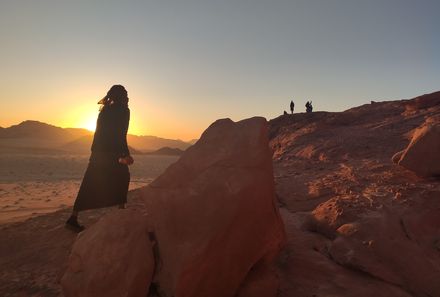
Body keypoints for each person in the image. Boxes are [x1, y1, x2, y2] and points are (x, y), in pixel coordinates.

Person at [65, 85, 134, 232]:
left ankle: (73, 217)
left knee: (89, 182)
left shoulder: (105, 110)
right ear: (121, 96)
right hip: (113, 153)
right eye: (126, 94)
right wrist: (125, 154)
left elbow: (100, 133)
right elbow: (121, 134)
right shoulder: (124, 111)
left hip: (98, 152)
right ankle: (121, 211)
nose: (128, 97)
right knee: (122, 177)